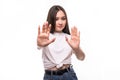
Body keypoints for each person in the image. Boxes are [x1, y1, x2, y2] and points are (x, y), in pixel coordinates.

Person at [37, 5, 85, 80]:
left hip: (68, 75)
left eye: (63, 18)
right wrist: (39, 44)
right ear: (51, 19)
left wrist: (77, 48)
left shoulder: (69, 38)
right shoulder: (45, 37)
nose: (60, 22)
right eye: (56, 19)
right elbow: (39, 45)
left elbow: (82, 57)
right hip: (50, 76)